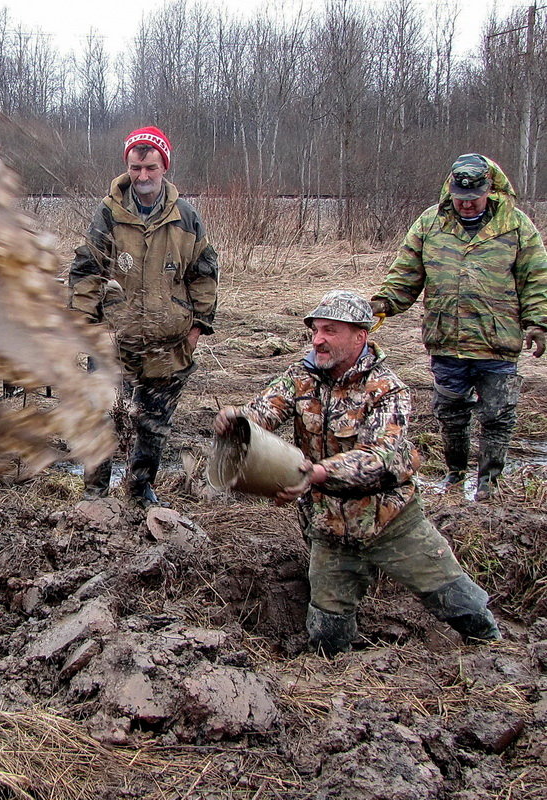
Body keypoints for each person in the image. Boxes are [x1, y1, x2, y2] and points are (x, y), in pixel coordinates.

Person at [213, 290, 500, 656]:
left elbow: (381, 457)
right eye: (316, 330)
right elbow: (262, 414)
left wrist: (318, 473)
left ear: (360, 337)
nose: (318, 339)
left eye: (330, 331)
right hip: (330, 527)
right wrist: (237, 420)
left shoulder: (387, 389)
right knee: (326, 634)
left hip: (391, 522)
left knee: (455, 600)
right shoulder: (300, 376)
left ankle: (495, 653)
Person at [370, 153, 547, 501]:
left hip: (497, 341)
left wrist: (539, 323)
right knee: (451, 414)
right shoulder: (430, 223)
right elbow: (405, 276)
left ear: (489, 191)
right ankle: (454, 478)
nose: (466, 205)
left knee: (497, 415)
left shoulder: (515, 225)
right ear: (450, 191)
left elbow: (536, 279)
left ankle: (489, 486)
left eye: (474, 198)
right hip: (446, 338)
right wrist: (381, 305)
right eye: (460, 198)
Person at [69, 126, 218, 507]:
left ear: (164, 166)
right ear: (128, 166)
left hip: (168, 343)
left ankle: (140, 492)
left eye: (151, 168)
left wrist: (197, 327)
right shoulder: (109, 213)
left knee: (153, 424)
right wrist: (84, 326)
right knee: (100, 417)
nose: (143, 176)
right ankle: (95, 494)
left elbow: (203, 273)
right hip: (114, 341)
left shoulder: (185, 216)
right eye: (136, 168)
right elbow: (87, 270)